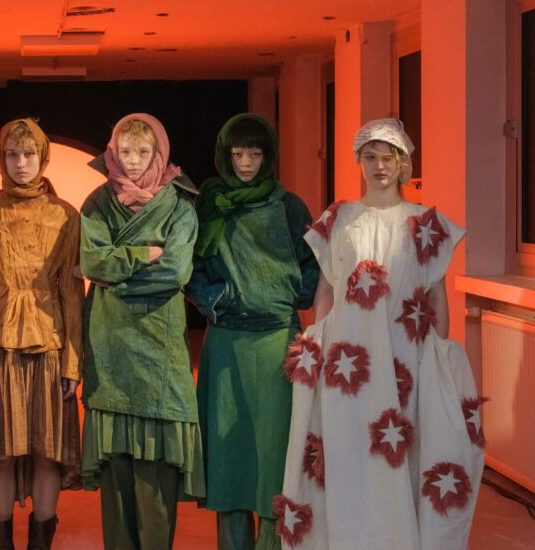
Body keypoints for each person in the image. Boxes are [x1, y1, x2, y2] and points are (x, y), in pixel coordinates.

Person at [275, 118, 485, 549]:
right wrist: (319, 345)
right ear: (359, 161)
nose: (379, 166)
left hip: (405, 356)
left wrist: (436, 359)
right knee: (348, 447)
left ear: (404, 162)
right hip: (348, 363)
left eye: (389, 157)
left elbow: (436, 295)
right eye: (370, 157)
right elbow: (326, 290)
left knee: (400, 451)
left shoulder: (423, 223)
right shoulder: (339, 218)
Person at [186, 114, 319, 550]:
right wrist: (219, 300)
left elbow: (312, 268)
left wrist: (281, 296)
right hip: (225, 344)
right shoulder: (212, 205)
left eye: (255, 153)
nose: (245, 162)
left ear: (269, 156)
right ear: (225, 155)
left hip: (278, 343)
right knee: (228, 458)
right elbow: (191, 268)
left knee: (274, 455)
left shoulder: (290, 207)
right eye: (238, 153)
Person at [78, 112, 205, 549]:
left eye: (143, 152)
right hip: (111, 345)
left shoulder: (180, 206)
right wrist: (142, 254)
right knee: (117, 475)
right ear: (113, 152)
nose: (133, 161)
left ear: (159, 154)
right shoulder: (97, 202)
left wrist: (117, 278)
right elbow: (94, 263)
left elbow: (175, 272)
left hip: (159, 348)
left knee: (156, 481)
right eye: (125, 151)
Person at [0, 118, 84, 550]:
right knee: (0, 450)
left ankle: (40, 541)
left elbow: (73, 292)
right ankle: (2, 542)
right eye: (12, 154)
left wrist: (72, 363)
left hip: (50, 343)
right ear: (1, 158)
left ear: (42, 157)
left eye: (29, 154)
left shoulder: (65, 215)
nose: (21, 163)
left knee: (49, 448)